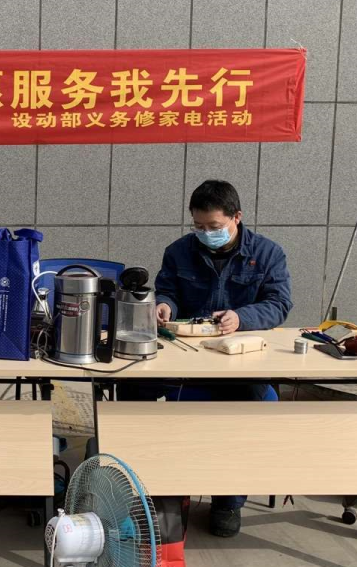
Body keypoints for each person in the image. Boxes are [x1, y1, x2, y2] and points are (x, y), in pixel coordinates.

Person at [121, 180, 293, 538]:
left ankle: (227, 500)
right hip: (185, 356)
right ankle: (154, 488)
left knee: (248, 403)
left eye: (213, 226)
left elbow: (279, 303)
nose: (205, 233)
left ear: (236, 217)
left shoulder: (268, 253)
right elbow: (168, 289)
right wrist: (164, 305)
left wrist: (242, 317)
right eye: (198, 226)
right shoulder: (179, 251)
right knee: (132, 388)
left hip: (239, 360)